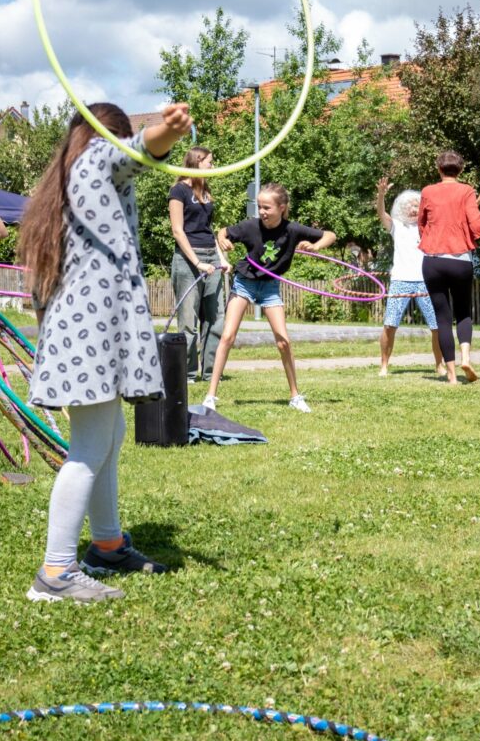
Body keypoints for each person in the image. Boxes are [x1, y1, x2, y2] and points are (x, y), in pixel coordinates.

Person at [19, 101, 193, 603]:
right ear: (105, 136)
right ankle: (56, 572)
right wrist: (167, 130)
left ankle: (108, 545)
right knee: (90, 448)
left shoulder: (66, 177)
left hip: (86, 336)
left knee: (108, 436)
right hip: (89, 337)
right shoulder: (96, 160)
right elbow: (137, 151)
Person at [203, 183, 336, 414]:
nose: (262, 212)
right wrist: (222, 240)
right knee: (227, 336)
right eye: (259, 207)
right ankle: (210, 396)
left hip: (270, 286)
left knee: (283, 341)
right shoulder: (250, 226)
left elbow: (330, 235)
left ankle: (295, 396)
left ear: (282, 207)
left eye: (267, 207)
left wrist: (316, 246)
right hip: (245, 282)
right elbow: (223, 231)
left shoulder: (292, 230)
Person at [418, 150, 480, 385]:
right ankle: (466, 358)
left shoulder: (428, 191)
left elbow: (422, 224)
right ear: (461, 170)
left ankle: (452, 375)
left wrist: (432, 239)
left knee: (443, 318)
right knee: (463, 312)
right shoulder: (466, 190)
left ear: (438, 169)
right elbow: (475, 223)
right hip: (460, 261)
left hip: (433, 260)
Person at [168, 146, 229, 382]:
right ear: (197, 161)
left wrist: (221, 258)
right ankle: (189, 373)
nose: (213, 166)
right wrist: (197, 262)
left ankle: (211, 372)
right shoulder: (178, 191)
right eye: (210, 162)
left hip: (211, 256)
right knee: (188, 320)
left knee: (216, 318)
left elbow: (208, 229)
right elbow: (177, 230)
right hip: (188, 259)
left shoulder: (206, 190)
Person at [376, 177, 444, 377]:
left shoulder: (428, 228)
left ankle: (439, 365)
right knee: (390, 325)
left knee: (436, 326)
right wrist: (381, 195)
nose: (414, 209)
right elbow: (381, 213)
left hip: (426, 281)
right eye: (411, 206)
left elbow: (452, 218)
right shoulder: (396, 226)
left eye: (418, 206)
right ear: (403, 208)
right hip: (400, 280)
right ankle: (384, 365)